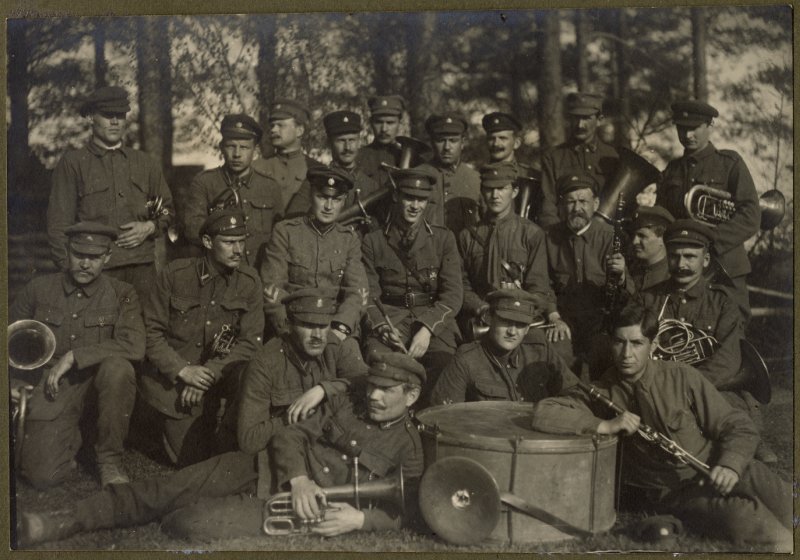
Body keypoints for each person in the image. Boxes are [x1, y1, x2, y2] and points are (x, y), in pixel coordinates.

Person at [16, 353, 424, 546]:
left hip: (281, 507)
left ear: (411, 396)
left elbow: (407, 510)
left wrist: (360, 520)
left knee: (187, 525)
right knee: (166, 488)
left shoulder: (410, 447)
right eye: (372, 386)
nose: (373, 395)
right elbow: (289, 437)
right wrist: (299, 478)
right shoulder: (346, 404)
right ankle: (66, 519)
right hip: (260, 467)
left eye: (386, 390)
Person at [531, 303, 791, 551]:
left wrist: (731, 464)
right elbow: (544, 413)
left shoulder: (681, 376)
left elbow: (737, 424)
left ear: (653, 345)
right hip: (678, 492)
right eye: (619, 342)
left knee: (788, 505)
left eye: (637, 343)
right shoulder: (601, 392)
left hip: (720, 465)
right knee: (749, 522)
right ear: (611, 343)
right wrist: (605, 424)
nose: (627, 354)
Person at [10, 222, 145, 489]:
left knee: (119, 369)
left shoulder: (123, 293)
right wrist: (10, 381)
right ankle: (75, 438)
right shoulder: (38, 288)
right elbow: (8, 338)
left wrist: (75, 356)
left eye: (94, 257)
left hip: (100, 387)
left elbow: (135, 345)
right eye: (78, 254)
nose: (85, 264)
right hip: (55, 388)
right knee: (42, 476)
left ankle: (109, 461)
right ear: (66, 251)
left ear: (108, 257)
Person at [639, 219, 775, 463]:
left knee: (736, 422)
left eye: (690, 257)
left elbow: (728, 360)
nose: (681, 264)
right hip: (658, 386)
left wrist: (687, 387)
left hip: (711, 388)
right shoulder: (648, 298)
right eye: (675, 256)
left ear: (705, 260)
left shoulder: (723, 302)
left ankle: (744, 449)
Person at [139, 208, 264, 466]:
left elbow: (250, 342)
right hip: (176, 380)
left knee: (248, 376)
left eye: (241, 242)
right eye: (229, 242)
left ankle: (228, 426)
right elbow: (151, 333)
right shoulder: (175, 275)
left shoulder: (249, 281)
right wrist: (183, 371)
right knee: (192, 460)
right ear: (207, 242)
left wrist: (207, 375)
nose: (238, 250)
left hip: (219, 375)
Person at [47, 86, 174, 300]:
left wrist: (149, 227)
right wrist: (71, 272)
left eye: (120, 115)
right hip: (96, 272)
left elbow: (166, 211)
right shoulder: (74, 163)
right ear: (91, 117)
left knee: (145, 322)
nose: (115, 122)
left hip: (142, 271)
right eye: (108, 115)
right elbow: (58, 225)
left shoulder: (145, 163)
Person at [361, 167, 463, 405]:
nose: (415, 206)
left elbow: (453, 294)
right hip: (391, 319)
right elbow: (368, 295)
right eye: (409, 197)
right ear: (396, 196)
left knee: (445, 363)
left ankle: (426, 418)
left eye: (421, 199)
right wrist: (382, 327)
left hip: (432, 320)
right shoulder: (373, 241)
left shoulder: (443, 239)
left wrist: (427, 330)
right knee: (380, 362)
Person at [237, 287, 368, 462]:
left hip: (329, 452)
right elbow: (249, 440)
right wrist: (295, 417)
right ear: (288, 324)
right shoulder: (265, 362)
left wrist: (324, 389)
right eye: (308, 325)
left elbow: (367, 382)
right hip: (281, 455)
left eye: (323, 326)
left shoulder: (337, 347)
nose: (318, 335)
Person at [658, 100, 761, 320]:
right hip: (683, 267)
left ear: (709, 125)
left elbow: (751, 215)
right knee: (684, 327)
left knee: (732, 327)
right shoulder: (672, 170)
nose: (687, 135)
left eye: (694, 128)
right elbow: (662, 217)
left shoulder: (730, 163)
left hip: (724, 266)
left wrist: (711, 241)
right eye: (682, 128)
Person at [260, 167, 368, 339]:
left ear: (344, 201)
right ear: (311, 195)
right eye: (322, 197)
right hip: (292, 327)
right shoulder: (285, 232)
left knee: (352, 358)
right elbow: (272, 289)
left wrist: (340, 329)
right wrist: (289, 329)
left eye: (336, 199)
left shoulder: (349, 239)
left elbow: (357, 292)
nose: (328, 206)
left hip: (334, 328)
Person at [544, 174, 633, 373]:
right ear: (561, 206)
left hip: (601, 323)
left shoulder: (612, 237)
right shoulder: (548, 237)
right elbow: (543, 283)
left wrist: (621, 276)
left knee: (605, 356)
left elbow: (629, 293)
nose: (577, 208)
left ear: (596, 204)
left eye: (583, 201)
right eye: (570, 202)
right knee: (556, 355)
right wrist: (554, 317)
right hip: (564, 320)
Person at [431, 289, 579, 405]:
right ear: (490, 319)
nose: (512, 332)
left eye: (520, 325)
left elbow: (573, 391)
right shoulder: (467, 360)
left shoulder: (539, 350)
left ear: (528, 328)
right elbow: (444, 415)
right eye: (506, 321)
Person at [458, 162, 555, 333]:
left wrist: (518, 312)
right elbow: (461, 285)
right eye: (489, 189)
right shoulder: (467, 236)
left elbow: (539, 289)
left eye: (502, 188)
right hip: (481, 319)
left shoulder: (532, 234)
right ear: (482, 192)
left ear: (515, 192)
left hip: (521, 320)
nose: (495, 195)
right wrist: (480, 308)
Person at [182, 113, 281, 268]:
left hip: (258, 270)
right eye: (231, 146)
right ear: (221, 147)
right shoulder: (204, 183)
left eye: (244, 147)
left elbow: (280, 236)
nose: (237, 154)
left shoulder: (269, 187)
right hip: (219, 270)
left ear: (255, 151)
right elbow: (192, 230)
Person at [284, 110, 381, 226]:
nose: (347, 147)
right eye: (341, 141)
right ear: (329, 143)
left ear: (359, 141)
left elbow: (379, 227)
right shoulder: (315, 181)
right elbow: (292, 221)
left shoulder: (371, 186)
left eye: (352, 140)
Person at [539, 92, 619, 228]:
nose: (580, 125)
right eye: (575, 118)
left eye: (587, 118)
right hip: (564, 233)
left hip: (604, 234)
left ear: (599, 120)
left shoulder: (613, 157)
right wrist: (555, 234)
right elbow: (547, 205)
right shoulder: (554, 157)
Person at [252, 98, 320, 214]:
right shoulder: (256, 168)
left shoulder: (315, 169)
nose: (273, 130)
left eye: (280, 125)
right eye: (272, 125)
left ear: (299, 131)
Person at [418, 112, 481, 236]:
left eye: (453, 140)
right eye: (440, 140)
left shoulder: (476, 179)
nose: (447, 147)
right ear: (432, 142)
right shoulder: (418, 174)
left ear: (462, 142)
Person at [481, 111, 541, 217]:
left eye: (502, 138)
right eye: (491, 139)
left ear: (516, 143)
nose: (496, 144)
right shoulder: (478, 177)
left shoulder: (531, 177)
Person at [356, 94, 406, 189]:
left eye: (390, 123)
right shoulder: (359, 157)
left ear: (400, 123)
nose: (384, 129)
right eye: (378, 122)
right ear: (371, 122)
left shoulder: (407, 158)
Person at [628, 205, 674, 292]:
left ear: (662, 238)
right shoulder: (633, 269)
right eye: (634, 235)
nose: (634, 242)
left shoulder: (672, 276)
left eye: (642, 236)